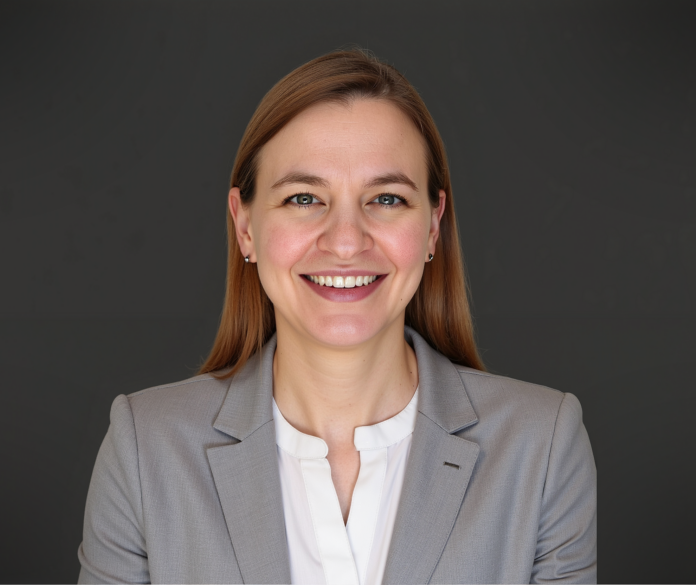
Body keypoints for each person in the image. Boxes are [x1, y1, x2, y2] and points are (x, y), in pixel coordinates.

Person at [77, 49, 596, 584]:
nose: (346, 242)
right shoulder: (146, 451)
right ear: (245, 226)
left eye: (387, 199)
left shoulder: (541, 449)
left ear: (433, 226)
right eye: (304, 198)